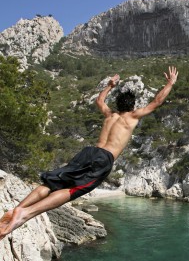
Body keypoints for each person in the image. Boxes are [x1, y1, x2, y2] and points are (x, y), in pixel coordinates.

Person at [0, 66, 179, 240]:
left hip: (88, 152)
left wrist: (109, 86)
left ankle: (18, 207)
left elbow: (99, 101)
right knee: (72, 190)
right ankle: (24, 214)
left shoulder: (110, 115)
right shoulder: (131, 117)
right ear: (132, 106)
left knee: (52, 182)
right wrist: (170, 83)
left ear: (117, 104)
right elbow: (157, 102)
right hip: (104, 159)